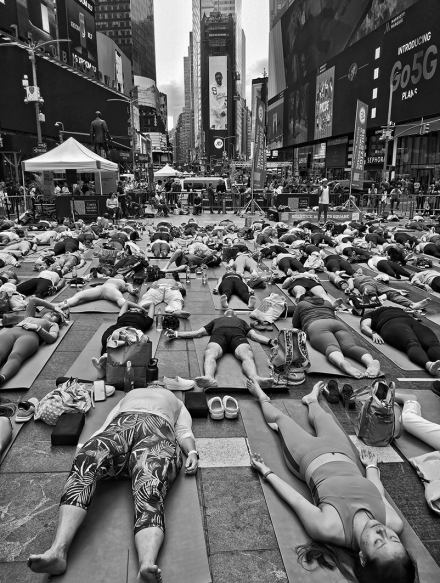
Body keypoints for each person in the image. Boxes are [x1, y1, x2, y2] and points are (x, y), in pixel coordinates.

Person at [247, 380, 415, 583]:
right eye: (393, 538)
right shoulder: (393, 522)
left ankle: (260, 396)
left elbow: (297, 501)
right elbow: (378, 493)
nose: (383, 532)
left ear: (362, 557)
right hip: (343, 452)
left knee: (279, 419)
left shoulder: (330, 527)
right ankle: (311, 401)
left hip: (305, 456)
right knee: (324, 417)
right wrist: (371, 467)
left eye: (379, 542)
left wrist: (266, 472)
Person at [27, 386, 199, 581]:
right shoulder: (130, 395)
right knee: (86, 462)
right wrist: (84, 450)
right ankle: (57, 552)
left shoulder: (176, 402)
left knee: (150, 485)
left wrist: (191, 452)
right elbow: (106, 424)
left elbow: (184, 431)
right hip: (121, 427)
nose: (157, 385)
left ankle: (147, 564)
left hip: (157, 430)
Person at [165, 309, 276, 390]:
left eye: (232, 311)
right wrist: (176, 333)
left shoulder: (242, 322)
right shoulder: (216, 320)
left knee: (247, 355)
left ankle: (255, 378)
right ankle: (209, 378)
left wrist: (270, 342)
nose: (230, 310)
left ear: (235, 315)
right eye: (228, 309)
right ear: (224, 314)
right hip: (219, 336)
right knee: (210, 353)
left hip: (238, 336)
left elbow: (254, 335)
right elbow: (198, 333)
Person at [292, 296, 381, 378]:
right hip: (337, 324)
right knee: (350, 347)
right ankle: (371, 362)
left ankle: (341, 362)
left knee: (331, 346)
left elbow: (295, 323)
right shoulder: (326, 302)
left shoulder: (301, 304)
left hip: (316, 325)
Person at [0, 296, 65, 385]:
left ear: (58, 321)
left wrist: (38, 328)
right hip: (12, 332)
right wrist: (54, 307)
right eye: (52, 312)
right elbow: (33, 300)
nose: (52, 314)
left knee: (16, 355)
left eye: (56, 316)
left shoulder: (52, 324)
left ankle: (3, 377)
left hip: (30, 337)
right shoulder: (29, 316)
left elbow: (52, 338)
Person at [360, 306, 440, 376]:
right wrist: (373, 333)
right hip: (390, 324)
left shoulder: (397, 309)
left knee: (433, 343)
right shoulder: (371, 314)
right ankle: (428, 365)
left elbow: (414, 312)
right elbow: (364, 326)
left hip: (411, 322)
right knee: (411, 343)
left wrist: (415, 313)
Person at [91, 300, 155, 377]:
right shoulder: (122, 316)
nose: (133, 309)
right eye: (131, 309)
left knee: (127, 343)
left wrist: (143, 310)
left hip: (131, 331)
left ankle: (104, 363)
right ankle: (103, 365)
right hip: (116, 329)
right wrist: (139, 308)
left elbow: (152, 304)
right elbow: (127, 303)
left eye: (136, 309)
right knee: (106, 339)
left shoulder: (147, 320)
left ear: (142, 313)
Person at [57, 275, 135, 311]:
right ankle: (63, 304)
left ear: (123, 278)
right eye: (117, 275)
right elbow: (97, 276)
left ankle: (133, 308)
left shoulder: (124, 282)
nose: (118, 275)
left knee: (120, 299)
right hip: (100, 289)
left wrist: (133, 290)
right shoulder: (110, 278)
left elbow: (130, 288)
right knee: (79, 295)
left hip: (111, 289)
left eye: (120, 275)